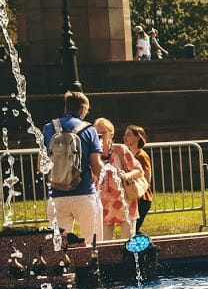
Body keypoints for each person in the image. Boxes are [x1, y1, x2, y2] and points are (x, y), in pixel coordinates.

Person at [42, 91, 103, 243]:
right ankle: (92, 267)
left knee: (59, 247)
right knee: (93, 244)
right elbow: (96, 166)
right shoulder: (89, 130)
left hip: (56, 197)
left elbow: (41, 165)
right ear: (82, 109)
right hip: (84, 194)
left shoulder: (49, 128)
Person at [94, 118, 143, 240]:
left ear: (111, 134)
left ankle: (129, 259)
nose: (99, 136)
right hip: (103, 204)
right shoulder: (93, 154)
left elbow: (139, 170)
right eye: (96, 133)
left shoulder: (120, 149)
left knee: (128, 242)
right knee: (104, 243)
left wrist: (126, 176)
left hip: (125, 202)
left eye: (103, 133)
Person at [123, 124, 154, 233]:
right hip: (133, 196)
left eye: (129, 135)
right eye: (125, 135)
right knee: (133, 229)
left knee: (133, 230)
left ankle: (149, 246)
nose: (125, 138)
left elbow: (147, 179)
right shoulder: (129, 154)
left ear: (137, 137)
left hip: (142, 198)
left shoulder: (142, 156)